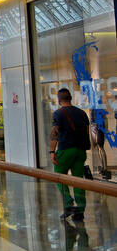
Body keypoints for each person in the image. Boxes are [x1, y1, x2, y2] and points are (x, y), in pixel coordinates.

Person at [50, 87, 90, 223]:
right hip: (80, 151)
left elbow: (54, 134)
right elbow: (86, 131)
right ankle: (80, 211)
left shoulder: (58, 114)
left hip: (66, 149)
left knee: (57, 175)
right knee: (78, 180)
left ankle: (68, 203)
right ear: (70, 98)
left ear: (59, 100)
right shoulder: (82, 113)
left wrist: (52, 152)